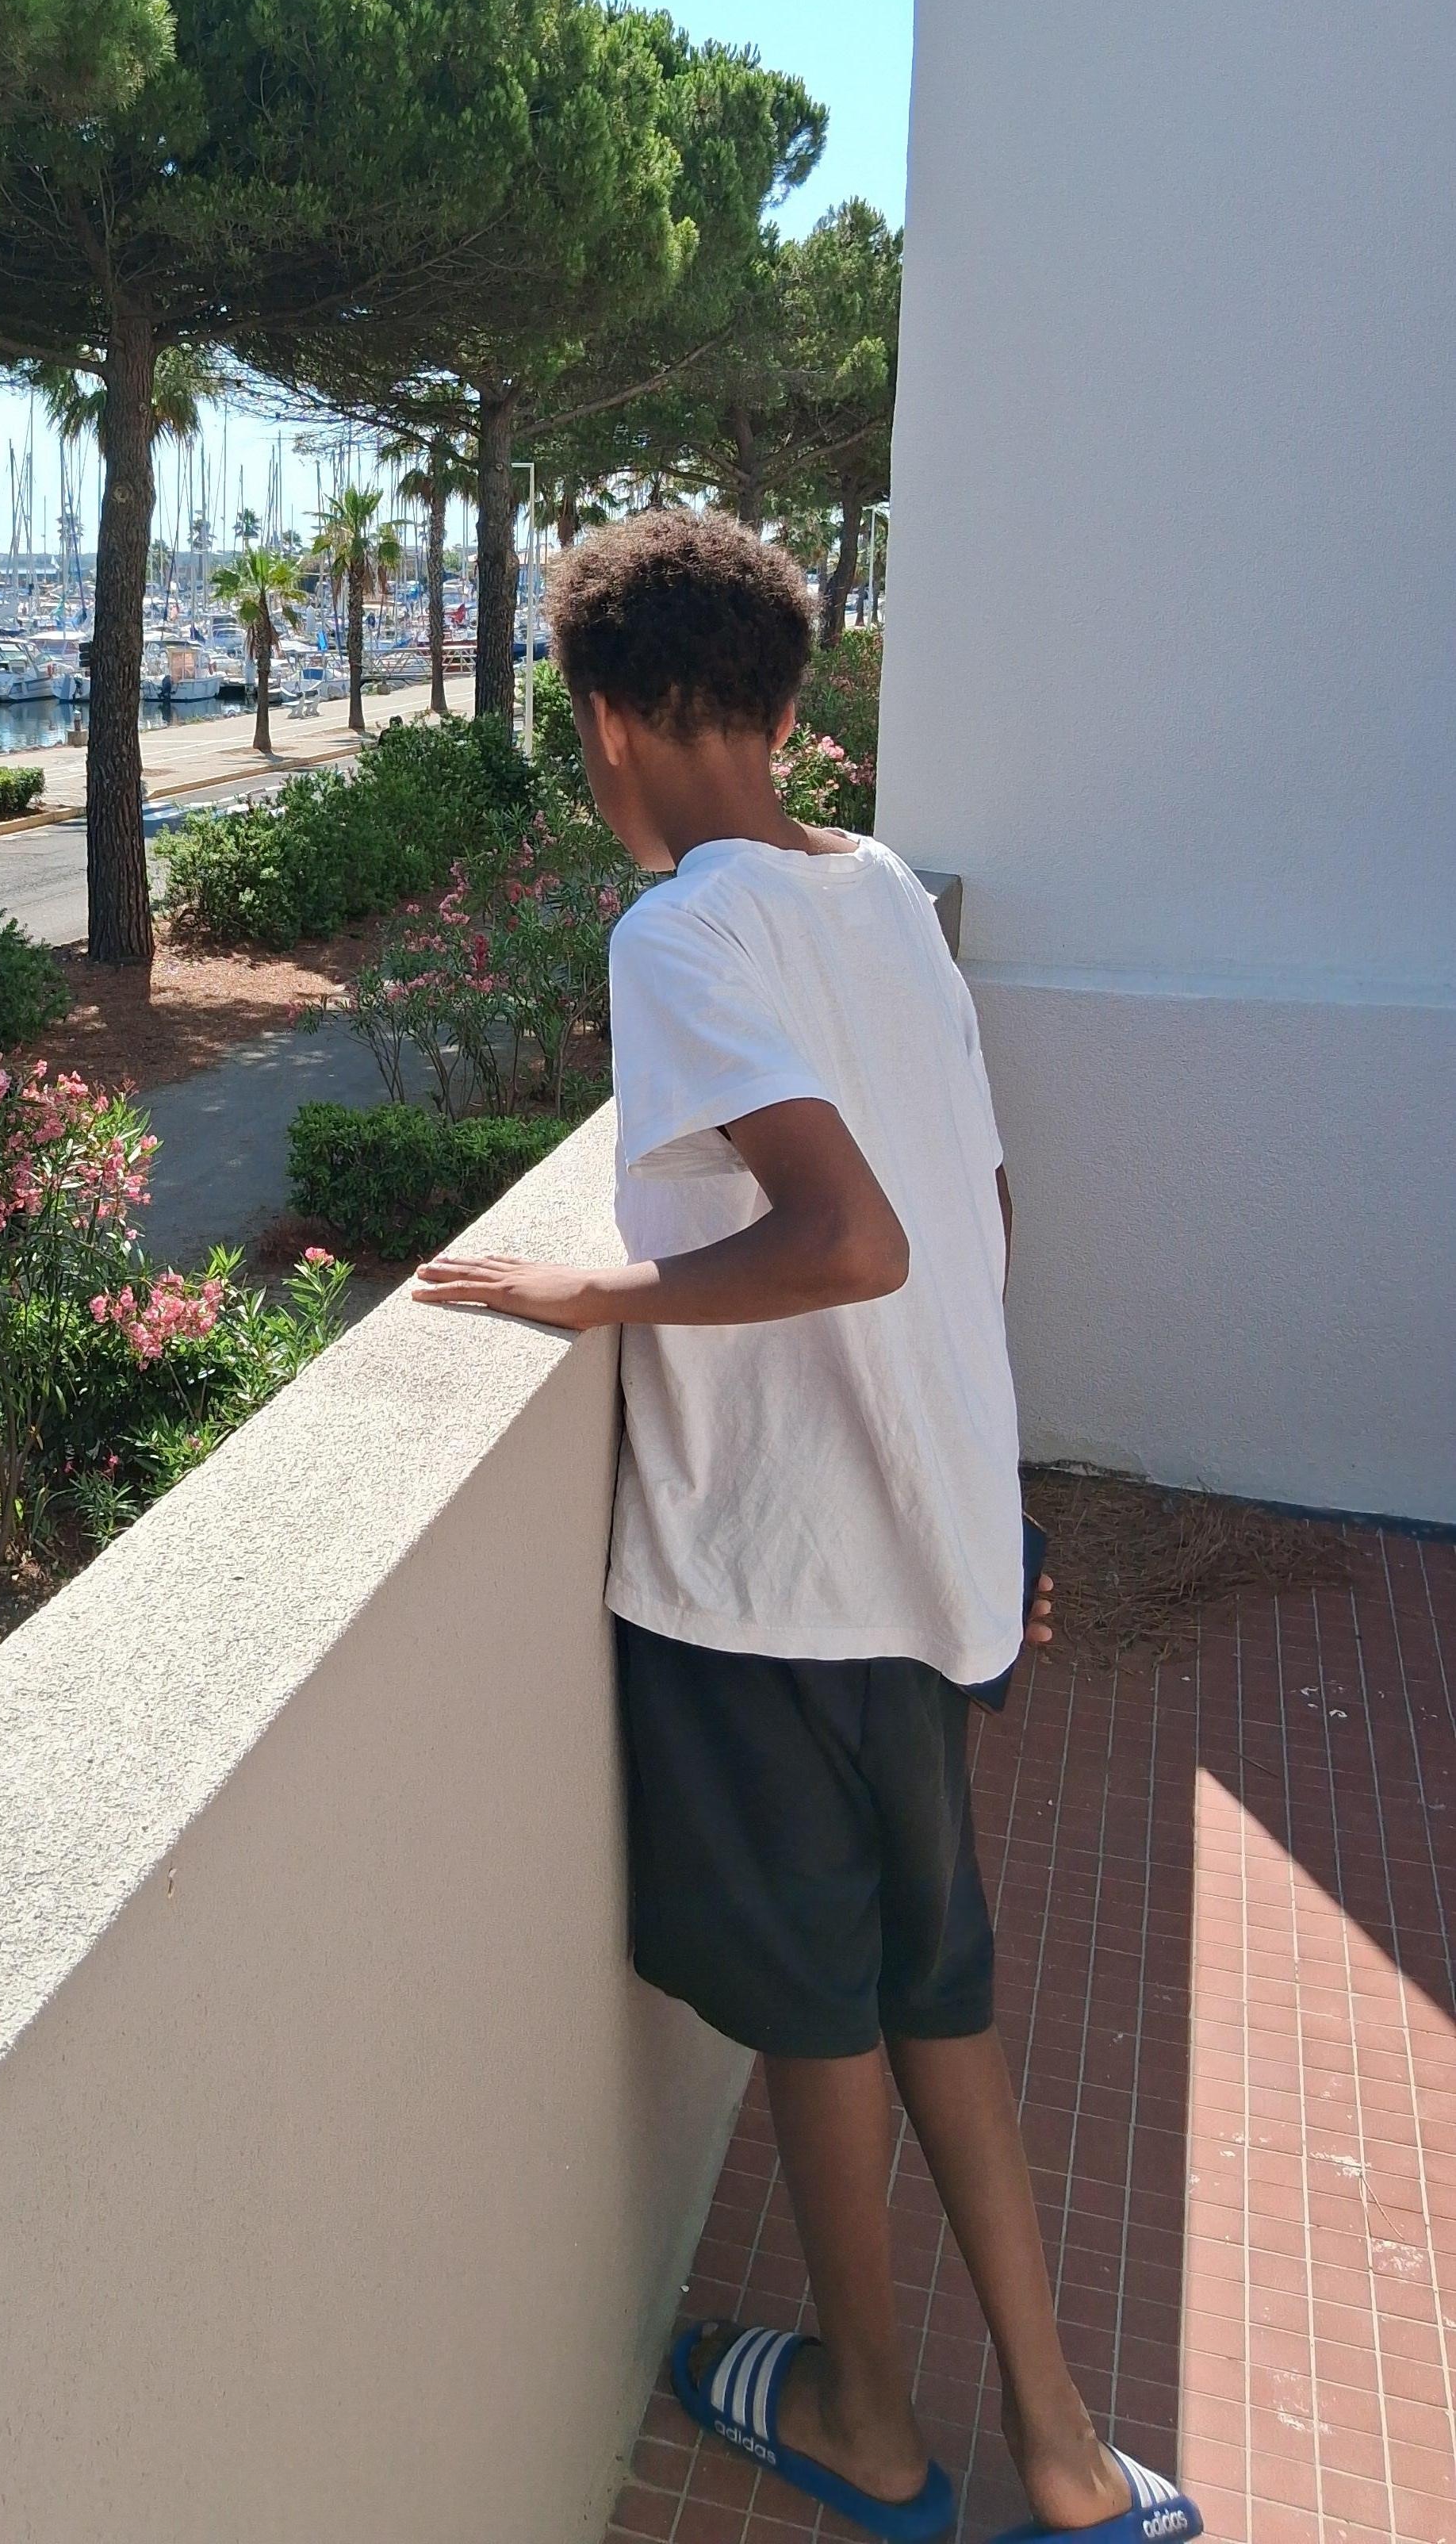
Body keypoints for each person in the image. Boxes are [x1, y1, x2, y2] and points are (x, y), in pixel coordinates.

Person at [412, 514, 1198, 2544]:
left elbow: (849, 1237)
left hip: (778, 1582)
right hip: (933, 1549)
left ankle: (866, 2422)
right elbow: (976, 1226)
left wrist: (597, 1298)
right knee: (942, 1991)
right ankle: (1069, 2456)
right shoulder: (879, 898)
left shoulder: (678, 932)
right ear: (778, 706)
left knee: (822, 2012)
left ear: (604, 724)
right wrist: (987, 1479)